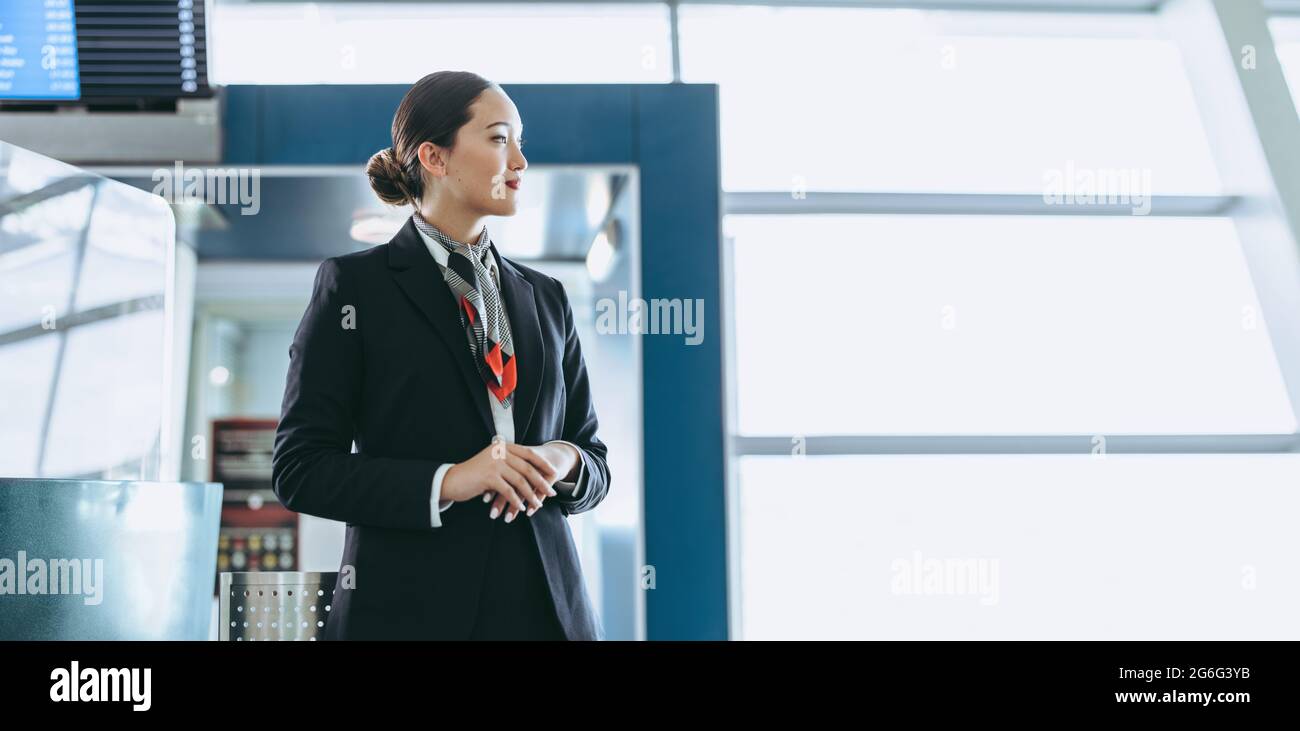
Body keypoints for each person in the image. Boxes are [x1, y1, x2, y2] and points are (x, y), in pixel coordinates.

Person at [271, 70, 610, 640]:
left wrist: (563, 460)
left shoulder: (546, 296)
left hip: (548, 613)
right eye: (501, 139)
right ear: (434, 156)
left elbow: (595, 458)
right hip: (408, 613)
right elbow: (299, 469)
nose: (521, 162)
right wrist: (452, 480)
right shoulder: (355, 288)